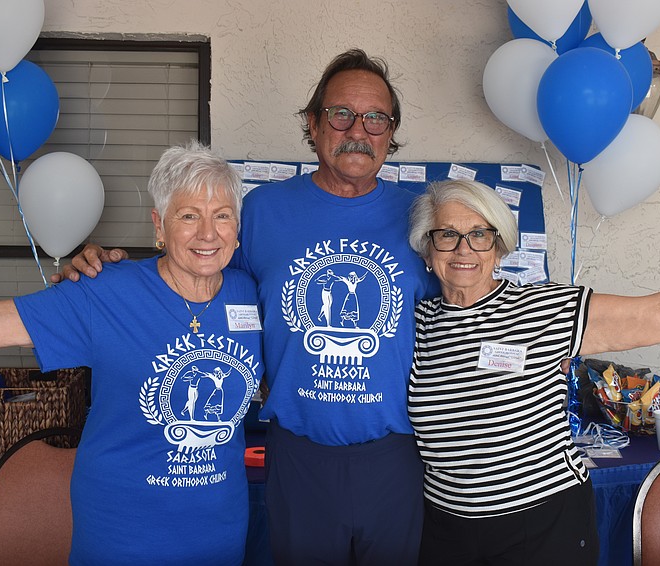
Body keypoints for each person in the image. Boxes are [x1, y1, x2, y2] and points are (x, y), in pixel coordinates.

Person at [54, 49, 438, 565]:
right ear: (313, 122)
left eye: (376, 118)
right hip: (297, 454)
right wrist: (112, 271)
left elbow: (466, 295)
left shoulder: (421, 215)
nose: (358, 130)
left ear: (391, 132)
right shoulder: (263, 210)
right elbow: (202, 272)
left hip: (395, 453)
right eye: (341, 113)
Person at [0, 140, 263, 565]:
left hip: (219, 531)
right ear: (159, 226)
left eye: (222, 215)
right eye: (189, 215)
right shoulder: (105, 291)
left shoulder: (250, 293)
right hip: (122, 533)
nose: (208, 233)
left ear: (237, 227)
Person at [406, 178, 660, 565]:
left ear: (499, 246)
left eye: (479, 234)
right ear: (427, 248)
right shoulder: (414, 322)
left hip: (541, 523)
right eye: (447, 235)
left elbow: (657, 315)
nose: (464, 249)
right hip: (446, 526)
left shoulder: (543, 309)